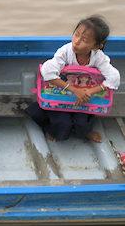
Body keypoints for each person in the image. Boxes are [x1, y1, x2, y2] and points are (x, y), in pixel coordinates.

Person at [26, 15, 120, 143]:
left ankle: (85, 132)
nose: (76, 41)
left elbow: (114, 77)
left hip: (83, 98)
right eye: (76, 34)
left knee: (82, 125)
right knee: (62, 124)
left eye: (85, 40)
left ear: (96, 46)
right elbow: (48, 72)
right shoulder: (65, 52)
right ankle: (49, 129)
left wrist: (89, 92)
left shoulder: (99, 57)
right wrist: (74, 90)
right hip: (61, 93)